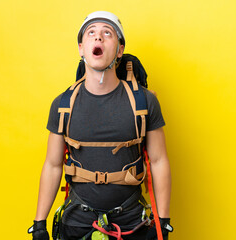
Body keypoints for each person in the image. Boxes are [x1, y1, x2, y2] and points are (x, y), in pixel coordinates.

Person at [29, 11, 173, 240]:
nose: (98, 38)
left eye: (108, 33)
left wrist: (162, 222)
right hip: (77, 223)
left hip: (132, 223)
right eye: (91, 33)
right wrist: (38, 224)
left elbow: (159, 161)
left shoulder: (145, 102)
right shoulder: (62, 105)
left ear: (119, 50)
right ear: (81, 48)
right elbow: (52, 165)